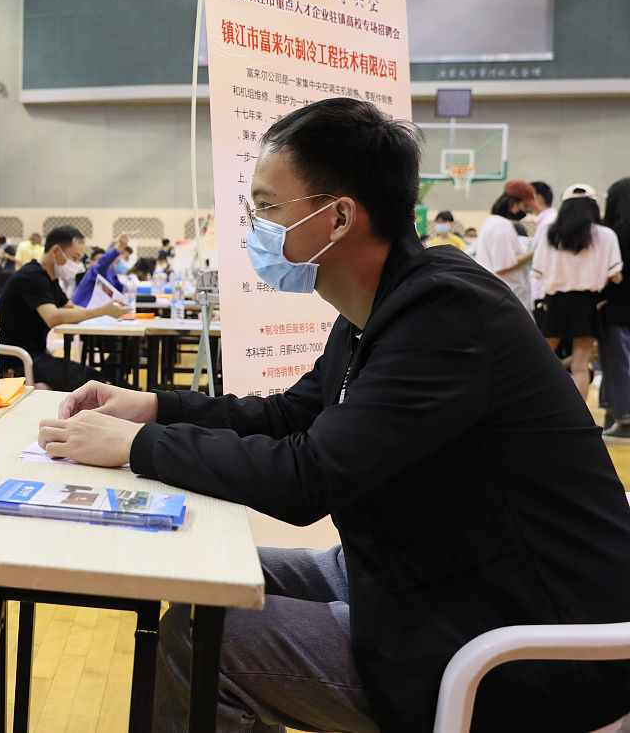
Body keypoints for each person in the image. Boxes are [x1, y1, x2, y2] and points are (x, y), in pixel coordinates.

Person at [36, 98, 630, 733]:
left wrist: (137, 445)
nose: (255, 227)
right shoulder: (378, 309)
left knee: (204, 635)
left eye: (267, 208)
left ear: (340, 217)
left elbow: (308, 477)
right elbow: (291, 414)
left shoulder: (445, 313)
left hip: (518, 632)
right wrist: (155, 405)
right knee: (205, 577)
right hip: (416, 570)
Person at [0, 225, 130, 390]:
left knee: (93, 377)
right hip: (18, 361)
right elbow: (52, 317)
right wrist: (102, 311)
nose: (77, 264)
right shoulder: (32, 276)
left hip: (35, 356)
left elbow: (71, 308)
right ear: (56, 251)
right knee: (93, 379)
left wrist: (106, 312)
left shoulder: (50, 280)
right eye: (75, 258)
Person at [532, 187, 623, 402]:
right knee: (581, 366)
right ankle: (580, 417)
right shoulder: (606, 235)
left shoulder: (550, 234)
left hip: (555, 303)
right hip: (586, 304)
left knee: (541, 362)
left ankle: (536, 408)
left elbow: (537, 273)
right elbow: (616, 276)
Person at [475, 179, 537, 311]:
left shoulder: (494, 223)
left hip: (502, 298)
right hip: (506, 299)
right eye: (525, 206)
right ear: (512, 203)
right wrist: (533, 252)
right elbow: (503, 266)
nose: (526, 211)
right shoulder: (501, 226)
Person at [602, 178, 630, 437]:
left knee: (618, 362)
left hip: (617, 307)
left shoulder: (614, 234)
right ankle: (613, 412)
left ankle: (624, 418)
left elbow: (611, 275)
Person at [528, 181, 557, 332]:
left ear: (538, 198)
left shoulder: (549, 222)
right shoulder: (546, 221)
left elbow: (544, 258)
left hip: (544, 289)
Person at [72, 232, 131, 307]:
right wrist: (119, 248)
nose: (121, 260)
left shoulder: (112, 275)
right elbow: (102, 263)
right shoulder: (95, 271)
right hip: (81, 311)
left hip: (96, 312)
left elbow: (125, 291)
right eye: (124, 256)